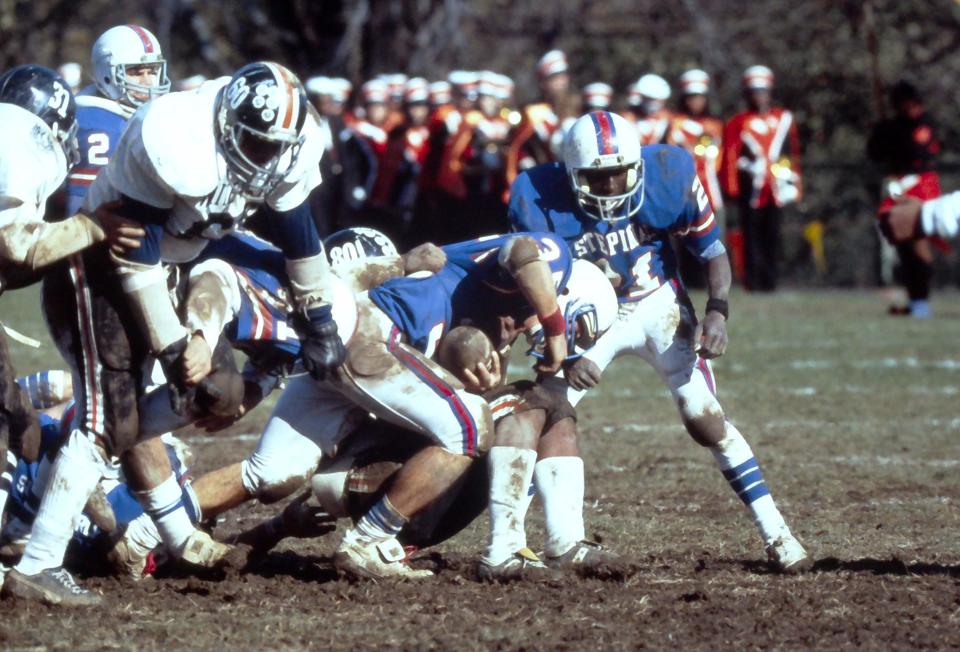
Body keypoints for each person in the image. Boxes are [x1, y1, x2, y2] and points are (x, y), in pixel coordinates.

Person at [3, 61, 344, 606]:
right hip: (103, 274)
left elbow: (300, 237)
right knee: (105, 421)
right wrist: (175, 345)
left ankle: (155, 520)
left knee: (212, 395)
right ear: (229, 122)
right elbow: (135, 262)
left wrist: (320, 317)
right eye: (253, 142)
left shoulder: (290, 146)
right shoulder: (172, 134)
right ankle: (39, 560)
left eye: (272, 145)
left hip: (174, 272)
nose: (262, 157)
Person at [509, 110, 811, 573]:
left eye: (619, 175)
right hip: (588, 316)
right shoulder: (536, 196)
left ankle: (777, 533)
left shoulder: (669, 174)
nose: (611, 188)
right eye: (598, 178)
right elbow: (530, 288)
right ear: (571, 174)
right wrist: (565, 352)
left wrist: (717, 310)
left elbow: (711, 251)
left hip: (657, 305)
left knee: (704, 420)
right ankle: (514, 540)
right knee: (548, 413)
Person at [720, 65, 802, 292]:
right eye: (754, 92)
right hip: (750, 186)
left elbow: (792, 152)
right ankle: (752, 280)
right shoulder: (738, 121)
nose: (759, 96)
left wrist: (795, 182)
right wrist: (732, 187)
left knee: (773, 233)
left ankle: (771, 281)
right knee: (751, 235)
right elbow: (729, 156)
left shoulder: (783, 118)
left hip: (775, 187)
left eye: (763, 91)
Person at [868, 80, 942, 318]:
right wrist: (880, 133)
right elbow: (875, 154)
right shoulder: (893, 127)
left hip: (922, 186)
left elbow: (916, 150)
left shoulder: (924, 125)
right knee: (902, 245)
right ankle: (914, 298)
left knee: (919, 243)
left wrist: (891, 134)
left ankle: (922, 300)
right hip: (899, 187)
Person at [669, 69, 724, 288]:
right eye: (691, 97)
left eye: (700, 97)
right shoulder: (676, 123)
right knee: (684, 237)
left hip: (711, 189)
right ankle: (688, 281)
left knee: (713, 238)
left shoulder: (715, 125)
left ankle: (712, 282)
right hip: (684, 190)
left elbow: (719, 159)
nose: (696, 102)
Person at [504, 50, 572, 190]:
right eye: (554, 78)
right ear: (543, 83)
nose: (561, 82)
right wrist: (525, 160)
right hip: (544, 182)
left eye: (563, 75)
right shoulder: (532, 111)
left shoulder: (578, 106)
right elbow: (517, 146)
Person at [632, 74, 673, 145]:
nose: (653, 104)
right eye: (649, 99)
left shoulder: (669, 119)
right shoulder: (629, 117)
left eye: (657, 100)